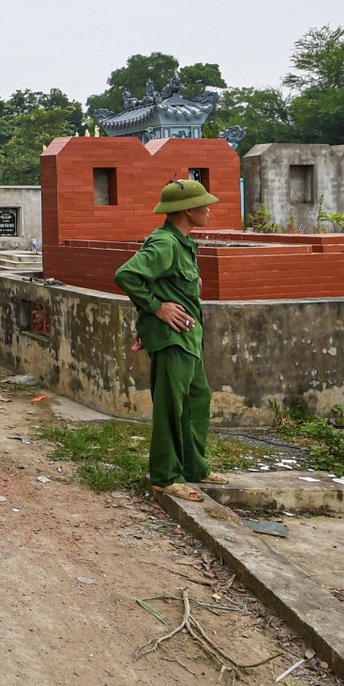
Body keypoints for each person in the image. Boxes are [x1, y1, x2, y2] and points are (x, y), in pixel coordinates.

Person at [114, 179, 231, 502]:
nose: (208, 210)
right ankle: (165, 476)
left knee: (197, 401)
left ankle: (194, 467)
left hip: (188, 339)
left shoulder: (181, 242)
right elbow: (127, 275)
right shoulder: (165, 244)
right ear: (187, 210)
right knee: (171, 408)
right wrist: (155, 310)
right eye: (203, 205)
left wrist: (147, 316)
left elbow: (166, 286)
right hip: (172, 341)